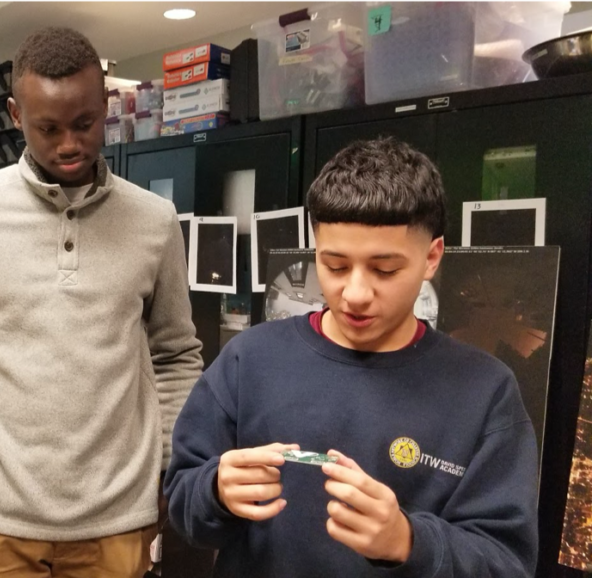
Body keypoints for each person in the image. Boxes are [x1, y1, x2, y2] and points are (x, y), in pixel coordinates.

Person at [0, 26, 202, 577]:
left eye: (85, 123)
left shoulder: (155, 222)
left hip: (116, 516)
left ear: (106, 104)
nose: (69, 143)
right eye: (48, 127)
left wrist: (170, 464)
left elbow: (175, 353)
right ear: (16, 115)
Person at [165, 137, 538, 577]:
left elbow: (507, 562)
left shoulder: (484, 391)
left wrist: (408, 543)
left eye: (385, 270)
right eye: (335, 266)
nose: (356, 294)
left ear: (432, 256)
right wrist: (215, 492)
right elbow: (183, 500)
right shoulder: (250, 359)